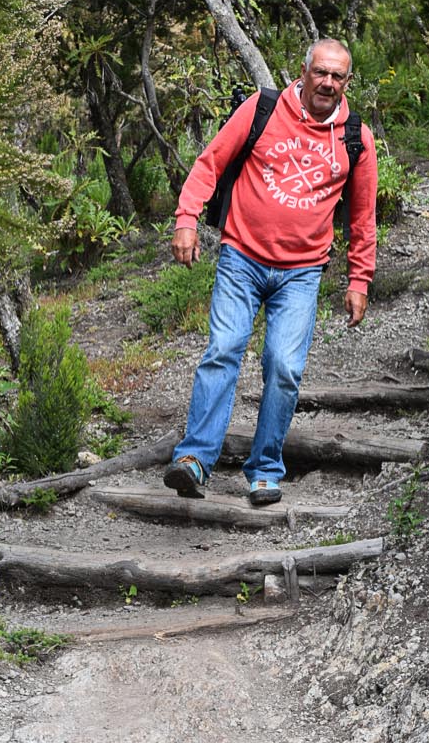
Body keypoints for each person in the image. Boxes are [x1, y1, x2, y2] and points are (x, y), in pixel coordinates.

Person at [159, 40, 379, 508]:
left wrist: (359, 280)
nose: (328, 83)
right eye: (321, 72)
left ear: (347, 83)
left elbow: (362, 217)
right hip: (241, 257)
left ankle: (264, 470)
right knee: (223, 350)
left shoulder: (356, 137)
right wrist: (186, 219)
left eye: (337, 76)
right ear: (303, 72)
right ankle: (194, 460)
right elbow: (210, 162)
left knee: (284, 367)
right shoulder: (261, 109)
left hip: (302, 273)